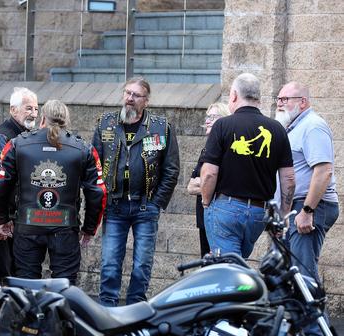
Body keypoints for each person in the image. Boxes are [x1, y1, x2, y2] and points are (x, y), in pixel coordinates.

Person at [0, 100, 106, 285]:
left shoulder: (17, 144)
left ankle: (31, 315)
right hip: (65, 229)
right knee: (64, 287)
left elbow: (0, 185)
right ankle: (58, 315)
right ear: (66, 120)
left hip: (27, 227)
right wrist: (89, 229)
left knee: (27, 286)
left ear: (42, 118)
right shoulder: (84, 149)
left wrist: (2, 219)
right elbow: (98, 193)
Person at [92, 76, 180, 306]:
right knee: (110, 261)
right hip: (115, 205)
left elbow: (171, 169)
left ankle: (135, 306)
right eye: (127, 93)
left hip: (145, 205)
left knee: (142, 263)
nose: (130, 98)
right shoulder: (106, 123)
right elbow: (94, 164)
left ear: (146, 101)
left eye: (136, 95)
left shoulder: (161, 127)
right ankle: (108, 307)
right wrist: (101, 197)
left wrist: (157, 202)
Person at [200, 73, 295, 258]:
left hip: (225, 208)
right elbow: (289, 179)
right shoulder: (277, 129)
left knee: (228, 270)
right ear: (258, 97)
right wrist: (283, 216)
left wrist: (205, 202)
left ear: (234, 95)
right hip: (258, 213)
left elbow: (210, 173)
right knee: (237, 264)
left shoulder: (222, 126)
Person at [276, 81, 338, 336]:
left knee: (304, 276)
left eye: (285, 99)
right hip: (298, 208)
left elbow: (323, 171)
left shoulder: (313, 125)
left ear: (302, 101)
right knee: (293, 276)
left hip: (313, 207)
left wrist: (307, 211)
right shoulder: (293, 127)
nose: (280, 104)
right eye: (278, 99)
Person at [0, 87, 38, 280]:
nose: (34, 114)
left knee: (15, 276)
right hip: (2, 220)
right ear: (13, 110)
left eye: (36, 109)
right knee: (2, 278)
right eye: (28, 108)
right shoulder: (4, 136)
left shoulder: (24, 135)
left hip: (15, 218)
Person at [186, 102, 230, 257]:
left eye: (213, 117)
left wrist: (205, 183)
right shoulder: (207, 149)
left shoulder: (228, 150)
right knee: (206, 262)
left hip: (218, 218)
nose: (207, 121)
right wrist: (208, 184)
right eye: (207, 116)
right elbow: (190, 186)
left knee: (220, 263)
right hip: (204, 219)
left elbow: (223, 183)